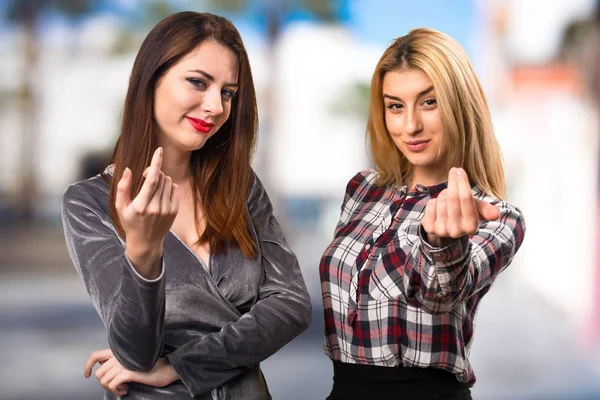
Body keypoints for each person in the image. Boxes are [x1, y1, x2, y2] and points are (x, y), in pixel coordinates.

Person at [61, 11, 311, 400]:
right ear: (152, 80)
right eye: (198, 82)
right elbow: (135, 352)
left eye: (228, 92)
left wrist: (182, 365)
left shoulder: (240, 185)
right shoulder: (90, 202)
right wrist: (143, 252)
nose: (216, 106)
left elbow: (291, 305)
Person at [319, 28, 526, 400]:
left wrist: (440, 245)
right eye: (395, 106)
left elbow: (440, 295)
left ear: (460, 105)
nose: (410, 125)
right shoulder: (362, 189)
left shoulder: (499, 217)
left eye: (428, 103)